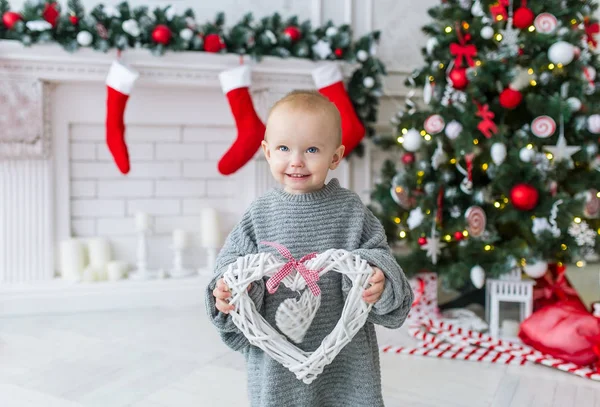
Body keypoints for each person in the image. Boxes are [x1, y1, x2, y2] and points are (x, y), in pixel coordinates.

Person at [205, 90, 413, 407]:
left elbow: (380, 256)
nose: (297, 161)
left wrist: (377, 278)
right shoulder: (259, 214)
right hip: (276, 359)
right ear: (267, 151)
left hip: (345, 357)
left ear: (335, 156)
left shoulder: (351, 211)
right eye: (284, 148)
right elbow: (231, 263)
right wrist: (226, 290)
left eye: (312, 149)